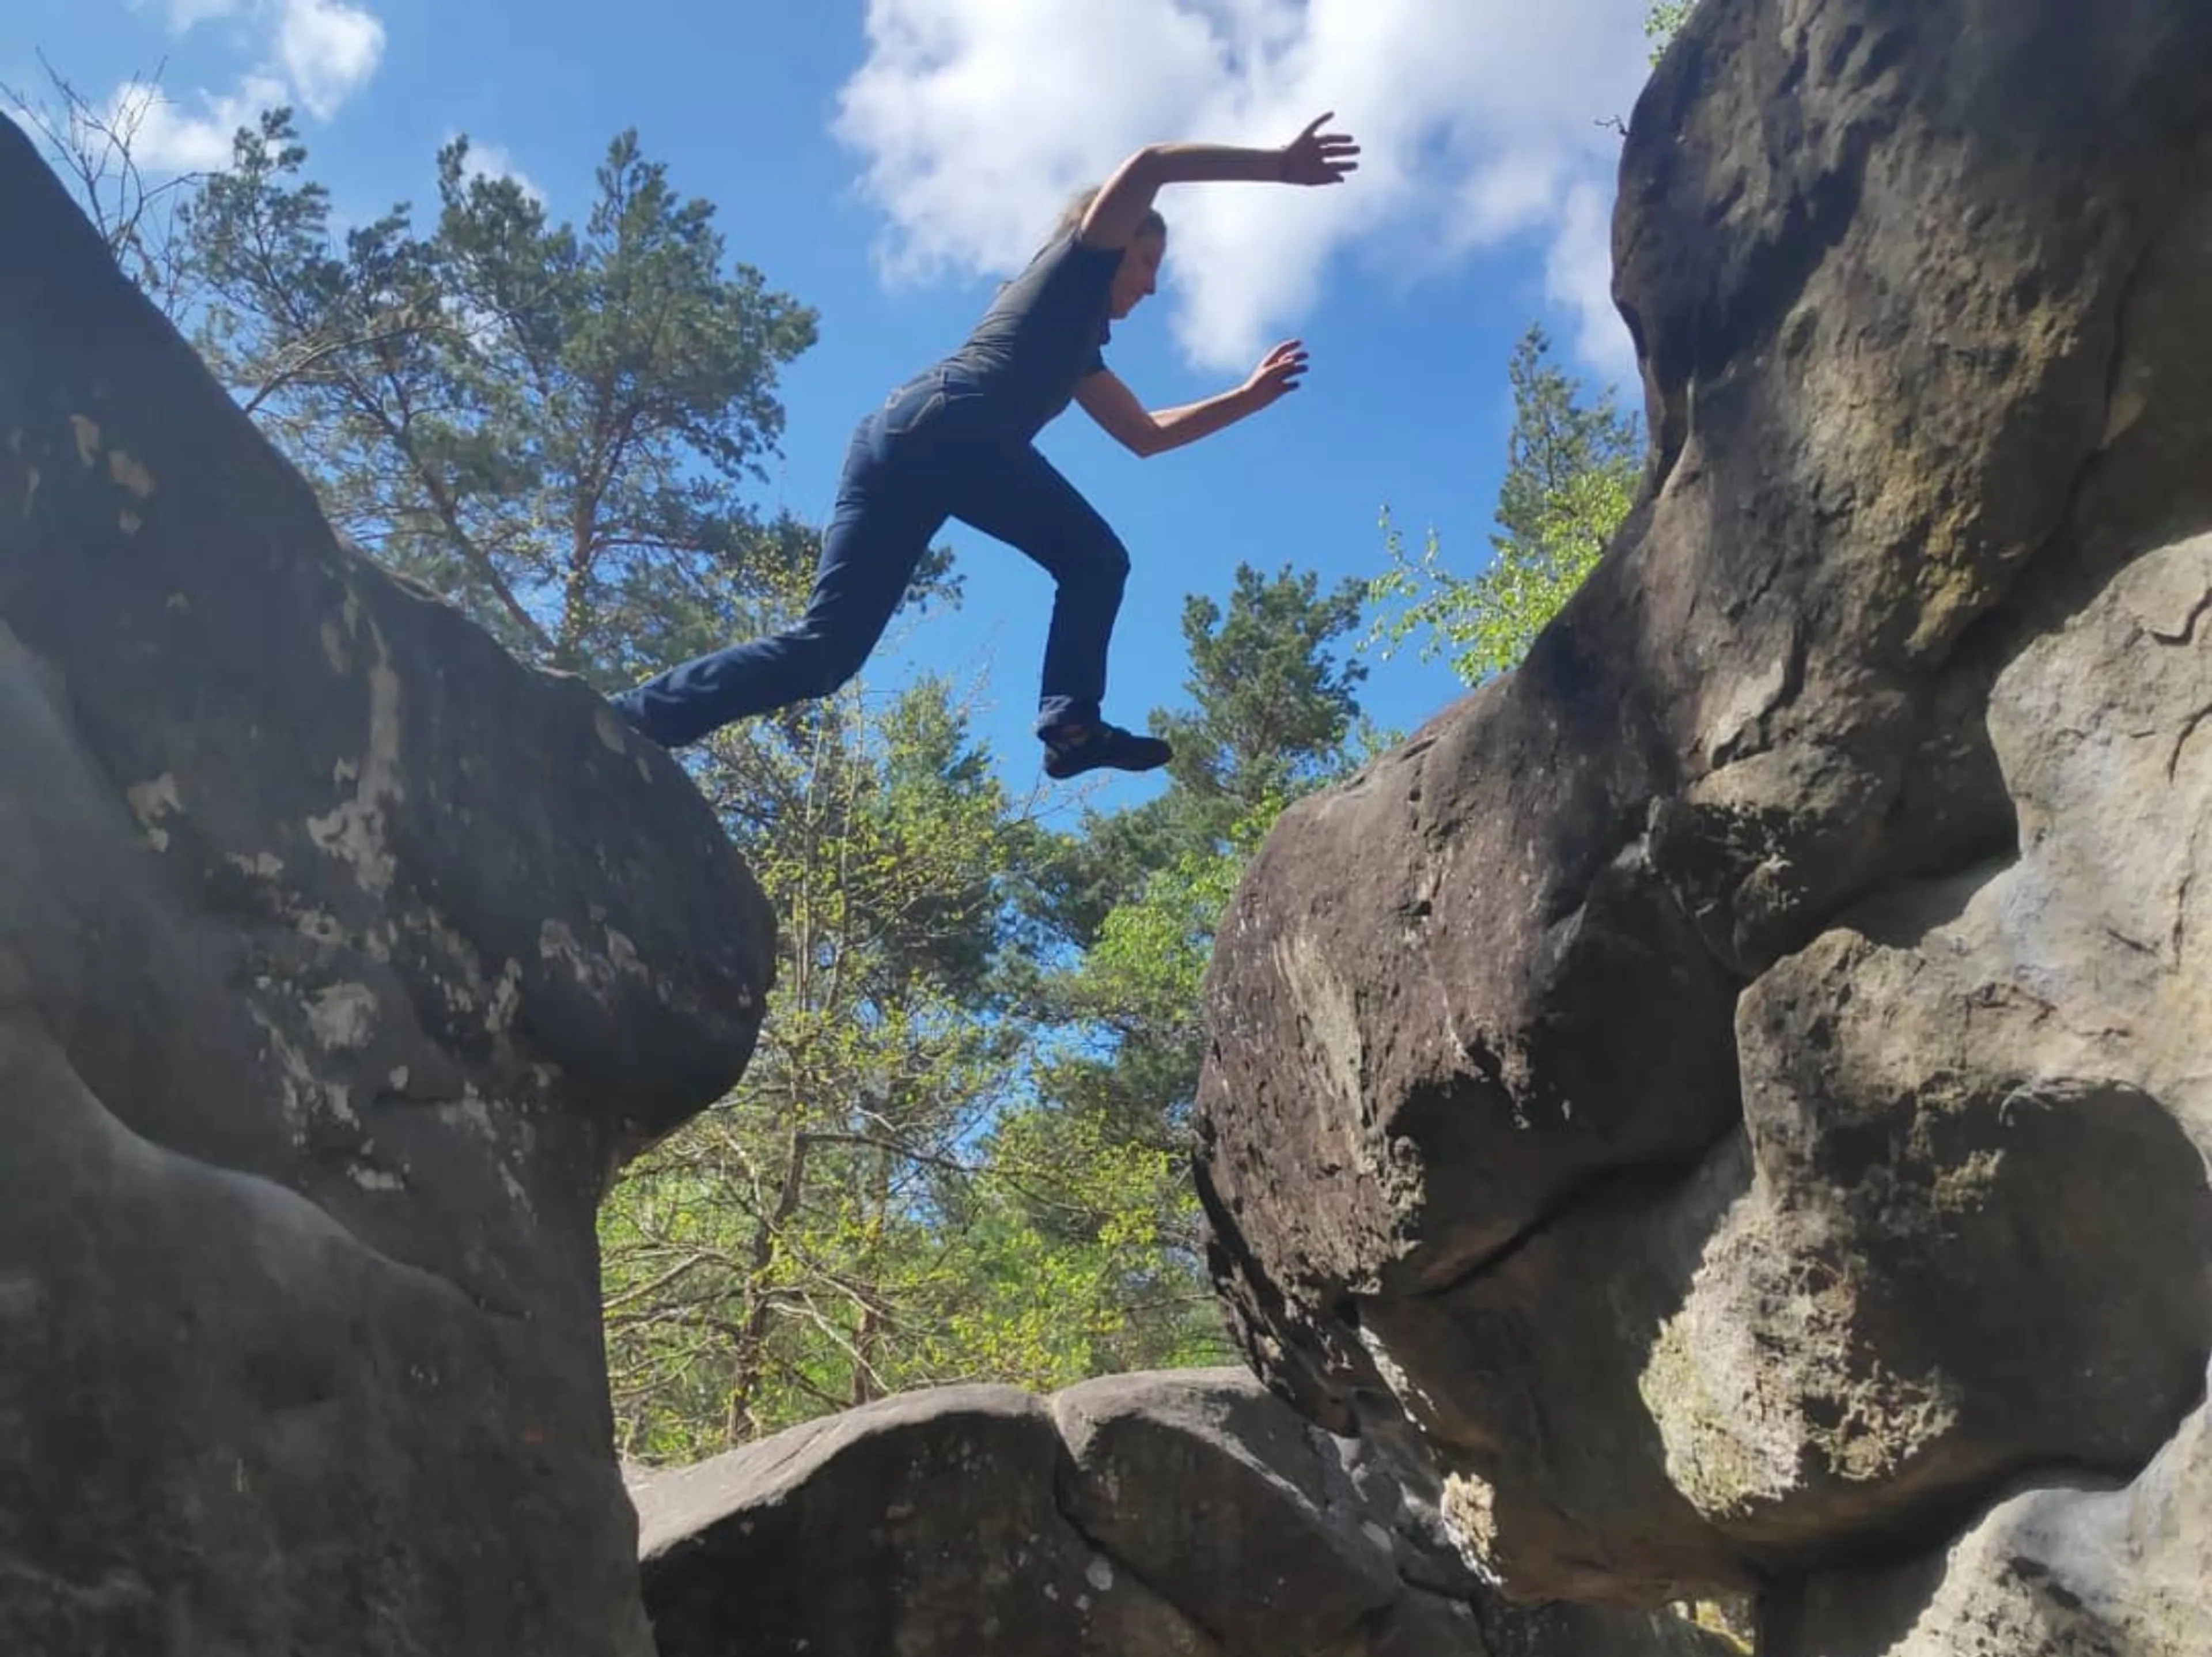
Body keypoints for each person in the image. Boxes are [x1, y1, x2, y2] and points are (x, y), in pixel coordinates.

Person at [611, 114, 1361, 777]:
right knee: (1095, 559)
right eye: (1146, 264)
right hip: (952, 422)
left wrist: (1247, 397)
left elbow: (1145, 436)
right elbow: (1154, 164)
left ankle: (638, 717)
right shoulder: (1078, 264)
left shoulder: (1075, 347)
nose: (1151, 288)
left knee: (827, 652)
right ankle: (1071, 726)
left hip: (895, 439)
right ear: (1112, 242)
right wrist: (1280, 166)